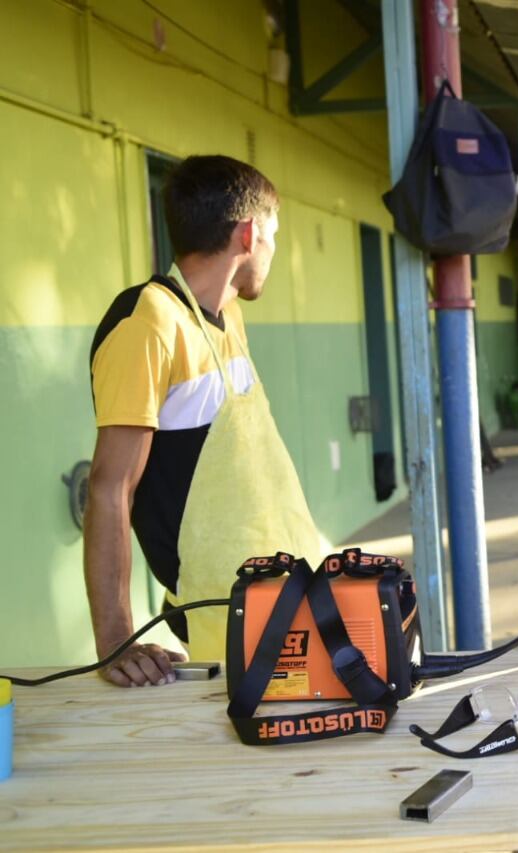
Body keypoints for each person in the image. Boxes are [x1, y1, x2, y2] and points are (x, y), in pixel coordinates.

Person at [85, 155, 320, 687]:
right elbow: (109, 489)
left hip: (287, 598)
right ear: (248, 232)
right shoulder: (145, 324)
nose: (273, 250)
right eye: (273, 235)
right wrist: (115, 641)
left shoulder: (227, 316)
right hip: (221, 618)